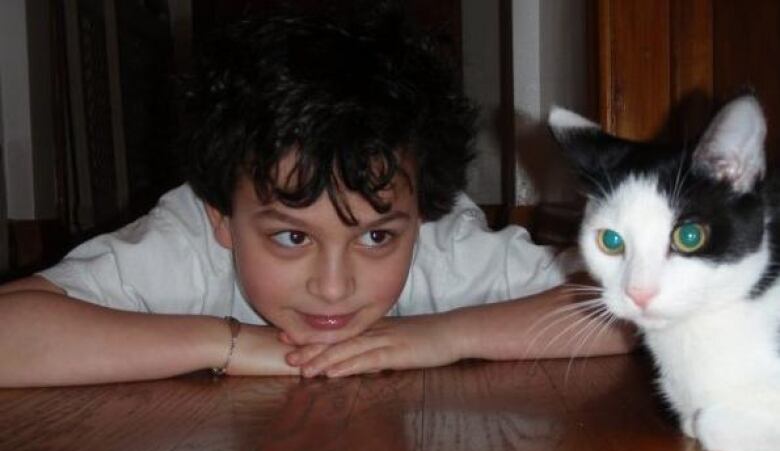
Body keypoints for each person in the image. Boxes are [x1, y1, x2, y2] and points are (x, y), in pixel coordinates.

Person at [0, 8, 633, 388]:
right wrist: (231, 345)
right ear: (222, 216)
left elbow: (633, 308)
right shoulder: (187, 243)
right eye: (291, 236)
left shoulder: (443, 245)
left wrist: (442, 337)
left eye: (379, 236)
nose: (334, 288)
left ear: (419, 217)